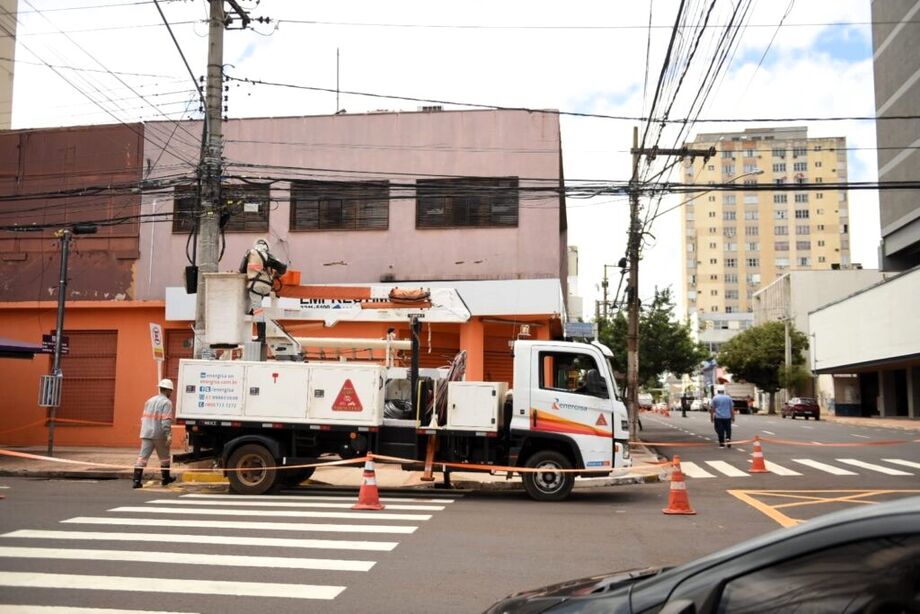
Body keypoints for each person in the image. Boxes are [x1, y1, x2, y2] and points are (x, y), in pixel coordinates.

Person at [133, 379, 176, 489]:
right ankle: (165, 479)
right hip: (159, 434)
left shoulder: (149, 401)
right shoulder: (167, 402)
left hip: (146, 433)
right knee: (164, 457)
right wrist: (168, 435)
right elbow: (166, 420)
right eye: (171, 391)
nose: (171, 393)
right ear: (168, 390)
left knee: (142, 458)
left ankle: (136, 481)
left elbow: (144, 417)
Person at [238, 238, 287, 314]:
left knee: (258, 313)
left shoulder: (250, 252)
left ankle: (259, 320)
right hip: (267, 287)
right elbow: (283, 268)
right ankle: (252, 312)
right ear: (267, 247)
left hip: (255, 286)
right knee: (256, 306)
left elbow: (242, 269)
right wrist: (275, 275)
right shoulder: (270, 256)